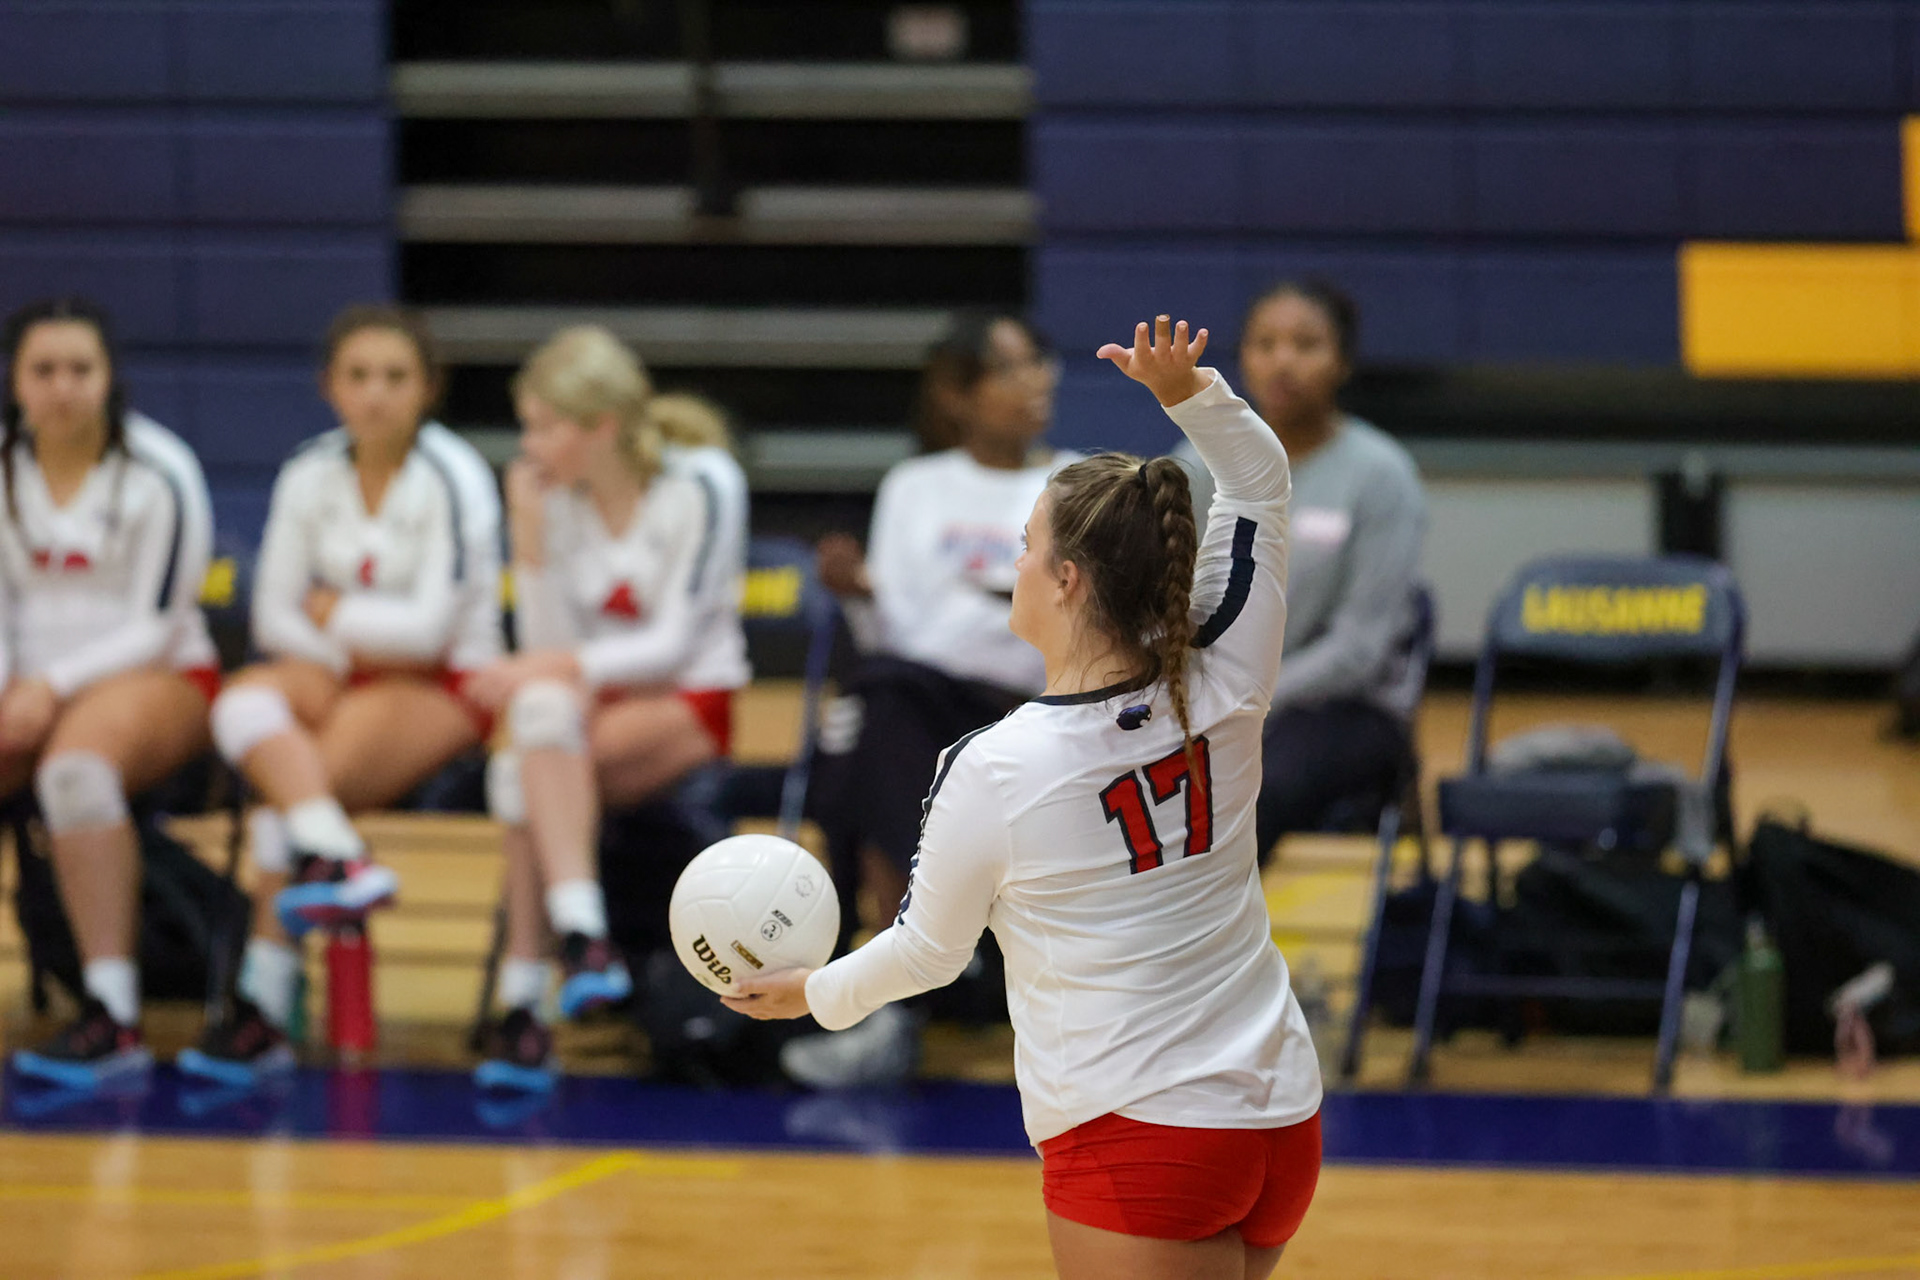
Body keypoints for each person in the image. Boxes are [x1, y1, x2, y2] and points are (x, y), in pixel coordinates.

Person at [730, 317, 1321, 1279]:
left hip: (1139, 1132)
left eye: (1024, 545)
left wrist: (814, 993)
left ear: (1068, 579)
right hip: (1279, 1117)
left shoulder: (1000, 765)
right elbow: (1259, 483)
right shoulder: (1227, 679)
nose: (1011, 564)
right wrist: (1192, 396)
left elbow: (928, 951)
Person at [179, 305, 503, 1084]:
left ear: (427, 388)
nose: (376, 395)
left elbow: (430, 635)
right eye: (358, 377)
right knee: (242, 702)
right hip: (335, 669)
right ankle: (340, 856)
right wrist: (342, 640)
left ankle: (263, 1008)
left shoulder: (456, 479)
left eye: (395, 378)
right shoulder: (309, 470)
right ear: (329, 387)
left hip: (450, 686)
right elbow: (273, 613)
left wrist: (337, 615)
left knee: (288, 789)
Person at [465, 326, 748, 1091]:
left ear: (601, 427)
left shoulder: (705, 483)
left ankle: (527, 1005)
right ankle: (581, 935)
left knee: (523, 769)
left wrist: (555, 668)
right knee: (537, 730)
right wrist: (528, 537)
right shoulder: (553, 499)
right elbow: (550, 645)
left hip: (689, 703)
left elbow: (672, 641)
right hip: (582, 716)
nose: (527, 447)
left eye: (542, 427)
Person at [798, 312, 1075, 1084]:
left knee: (874, 716)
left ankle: (904, 984)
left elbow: (1060, 629)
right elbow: (897, 624)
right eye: (1014, 369)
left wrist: (949, 617)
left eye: (1041, 363)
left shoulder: (1079, 482)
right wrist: (859, 596)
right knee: (885, 708)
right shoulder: (915, 487)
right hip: (921, 700)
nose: (1039, 380)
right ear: (958, 394)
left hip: (1038, 710)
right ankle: (917, 983)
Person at [1, 298, 220, 1089]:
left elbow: (158, 623)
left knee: (75, 771)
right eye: (43, 370)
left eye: (80, 370)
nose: (62, 388)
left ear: (109, 378)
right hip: (26, 688)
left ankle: (111, 1012)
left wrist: (49, 689)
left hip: (154, 678)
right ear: (17, 381)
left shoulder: (161, 470)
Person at [1173, 281, 1425, 859]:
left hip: (1342, 711)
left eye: (1306, 344)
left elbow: (1360, 649)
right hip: (1219, 699)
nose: (1282, 360)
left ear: (1343, 362)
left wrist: (1249, 699)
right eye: (1265, 344)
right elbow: (1168, 603)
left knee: (1240, 793)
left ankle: (1207, 944)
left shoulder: (1380, 476)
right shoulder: (1198, 464)